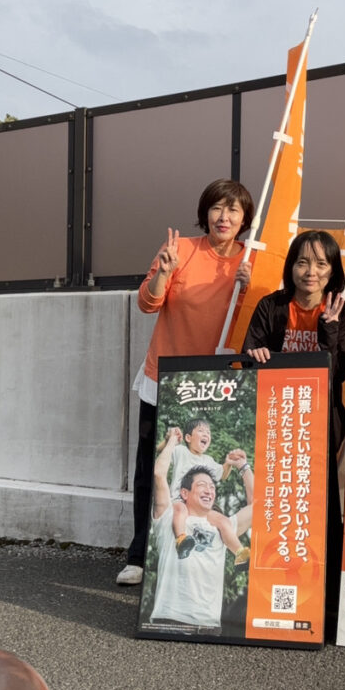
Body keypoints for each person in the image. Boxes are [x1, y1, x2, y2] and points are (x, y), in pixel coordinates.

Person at [117, 178, 255, 585]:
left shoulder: (251, 260)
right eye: (217, 208)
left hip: (220, 383)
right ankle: (140, 556)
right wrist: (164, 272)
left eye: (233, 210)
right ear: (205, 213)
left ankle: (204, 556)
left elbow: (256, 321)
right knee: (151, 469)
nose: (223, 217)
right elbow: (147, 303)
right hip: (166, 376)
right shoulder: (182, 250)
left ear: (244, 219)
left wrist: (250, 288)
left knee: (203, 476)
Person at [242, 230, 345, 636]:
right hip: (277, 420)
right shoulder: (271, 306)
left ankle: (329, 598)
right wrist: (255, 355)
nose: (311, 271)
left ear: (332, 270)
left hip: (321, 422)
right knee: (276, 501)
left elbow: (341, 372)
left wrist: (330, 329)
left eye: (321, 263)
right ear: (291, 266)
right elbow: (248, 357)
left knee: (322, 503)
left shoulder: (340, 310)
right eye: (303, 262)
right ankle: (269, 586)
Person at [147, 428, 254, 631]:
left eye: (212, 487)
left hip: (209, 627)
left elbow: (258, 505)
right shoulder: (169, 516)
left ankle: (240, 553)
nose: (209, 490)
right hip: (169, 622)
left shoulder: (222, 526)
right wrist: (172, 440)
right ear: (185, 492)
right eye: (202, 485)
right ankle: (182, 541)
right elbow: (159, 474)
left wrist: (243, 466)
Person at [164, 423, 251, 564]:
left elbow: (222, 474)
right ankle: (181, 540)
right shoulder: (180, 451)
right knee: (180, 510)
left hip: (200, 506)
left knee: (223, 521)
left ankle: (239, 553)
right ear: (188, 437)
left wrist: (228, 463)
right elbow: (162, 451)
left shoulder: (208, 461)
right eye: (201, 431)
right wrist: (170, 438)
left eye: (208, 433)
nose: (206, 434)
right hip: (180, 500)